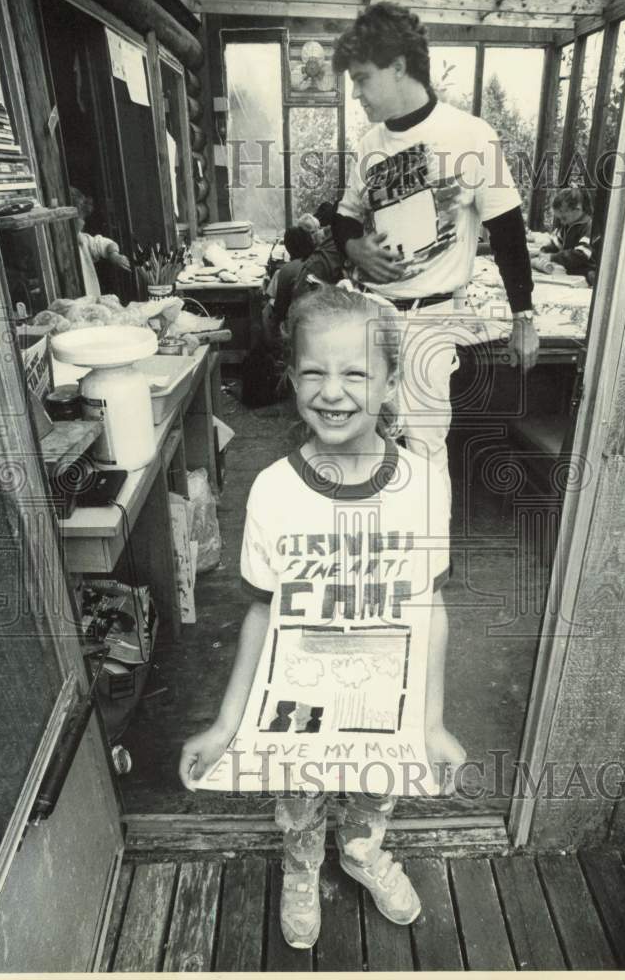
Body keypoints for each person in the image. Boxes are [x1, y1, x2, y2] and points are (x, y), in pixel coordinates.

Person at [179, 286, 465, 949]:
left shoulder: (421, 487)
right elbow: (261, 611)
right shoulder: (275, 490)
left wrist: (429, 721)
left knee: (375, 787)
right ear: (291, 378)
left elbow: (429, 606)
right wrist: (227, 723)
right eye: (313, 372)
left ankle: (361, 850)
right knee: (301, 793)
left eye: (355, 374)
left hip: (381, 697)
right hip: (301, 700)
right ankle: (303, 862)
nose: (331, 392)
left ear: (391, 383)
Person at [331, 3, 539, 512]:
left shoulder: (469, 135)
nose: (356, 95)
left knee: (424, 450)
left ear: (399, 66)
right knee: (363, 442)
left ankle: (428, 568)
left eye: (361, 80)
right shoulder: (369, 144)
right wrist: (353, 245)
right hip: (372, 314)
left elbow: (508, 230)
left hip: (433, 318)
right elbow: (345, 217)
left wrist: (524, 316)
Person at [70, 186, 130, 298]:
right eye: (78, 219)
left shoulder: (83, 240)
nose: (82, 223)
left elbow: (105, 244)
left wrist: (114, 255)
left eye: (82, 218)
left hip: (90, 300)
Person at [263, 225, 316, 342]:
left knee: (266, 310)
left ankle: (273, 350)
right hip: (318, 320)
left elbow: (280, 310)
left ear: (288, 248)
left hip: (298, 325)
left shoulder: (288, 270)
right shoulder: (318, 262)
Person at [541, 186, 593, 276]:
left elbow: (581, 255)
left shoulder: (588, 227)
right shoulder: (568, 225)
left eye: (564, 218)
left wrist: (552, 257)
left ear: (577, 209)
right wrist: (543, 251)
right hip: (571, 270)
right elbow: (557, 244)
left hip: (586, 273)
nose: (562, 222)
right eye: (559, 219)